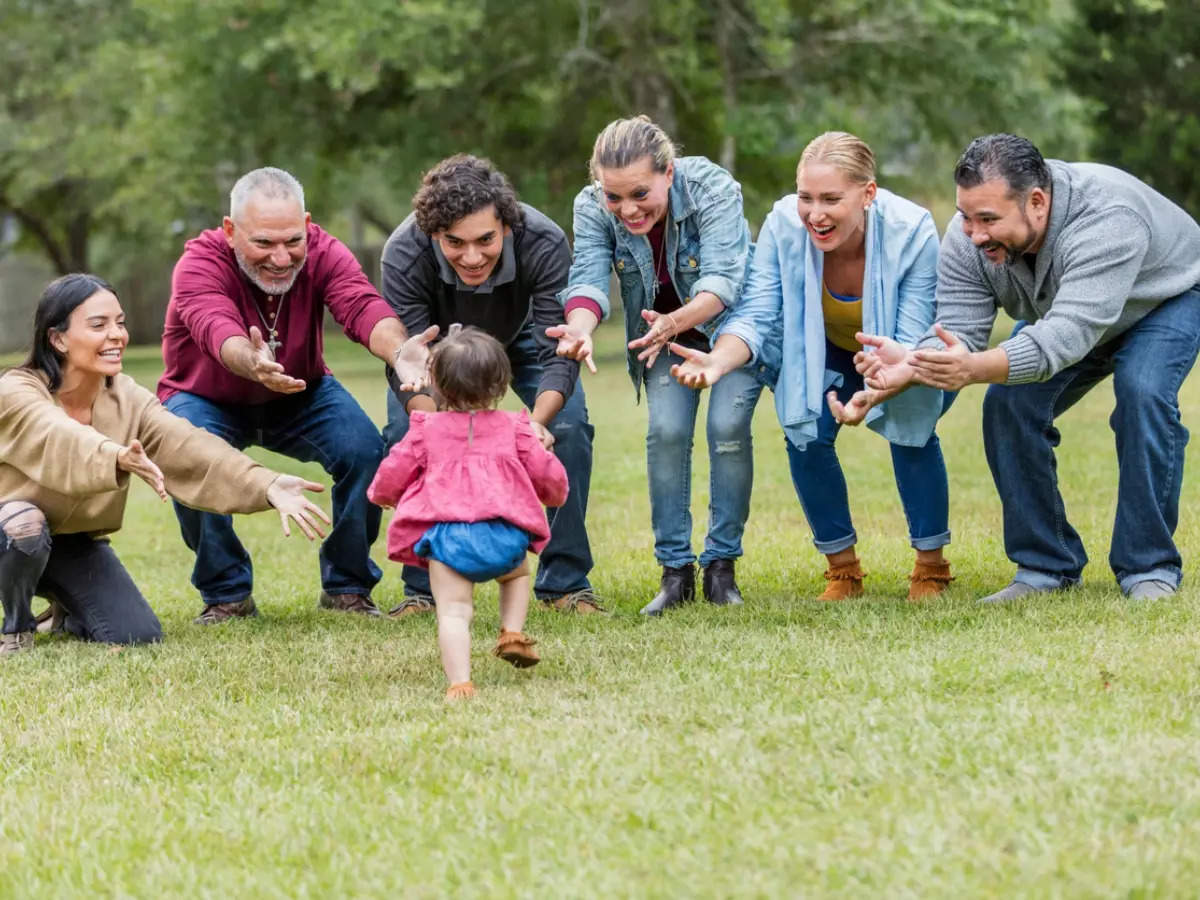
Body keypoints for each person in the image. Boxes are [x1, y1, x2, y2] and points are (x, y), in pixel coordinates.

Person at [856, 133, 1200, 602]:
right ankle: (1045, 567)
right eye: (966, 216)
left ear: (1037, 202)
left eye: (988, 220)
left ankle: (1148, 566)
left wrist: (975, 368)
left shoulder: (1107, 220)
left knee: (1143, 391)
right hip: (1073, 311)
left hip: (1166, 296)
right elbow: (959, 328)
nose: (974, 234)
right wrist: (912, 363)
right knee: (1009, 402)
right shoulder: (967, 238)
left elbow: (1064, 338)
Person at [669, 132, 953, 601]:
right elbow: (759, 311)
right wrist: (719, 360)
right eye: (806, 197)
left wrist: (880, 385)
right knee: (805, 432)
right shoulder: (783, 225)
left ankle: (931, 566)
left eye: (830, 199)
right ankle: (843, 570)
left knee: (913, 428)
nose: (814, 214)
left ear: (868, 193)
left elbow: (913, 333)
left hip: (902, 350)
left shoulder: (913, 230)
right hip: (823, 348)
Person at [0, 274, 330, 655]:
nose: (116, 335)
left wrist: (265, 484)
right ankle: (16, 626)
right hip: (9, 531)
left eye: (119, 323)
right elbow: (55, 434)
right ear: (57, 339)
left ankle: (65, 608)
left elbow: (188, 445)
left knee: (136, 634)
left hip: (68, 541)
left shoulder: (126, 397)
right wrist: (114, 455)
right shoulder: (17, 390)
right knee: (25, 525)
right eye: (98, 325)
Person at [158, 166, 431, 623]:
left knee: (364, 450)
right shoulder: (199, 262)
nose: (282, 258)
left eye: (292, 241)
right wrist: (252, 362)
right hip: (206, 396)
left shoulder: (325, 251)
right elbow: (213, 326)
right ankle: (227, 593)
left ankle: (347, 586)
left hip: (302, 394)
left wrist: (400, 351)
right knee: (185, 452)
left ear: (307, 224)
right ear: (230, 230)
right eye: (263, 243)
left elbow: (360, 304)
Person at [554, 115, 765, 615]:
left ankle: (721, 569)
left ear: (669, 173)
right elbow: (585, 278)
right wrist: (581, 327)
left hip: (728, 329)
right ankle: (675, 575)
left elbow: (722, 281)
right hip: (661, 335)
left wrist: (672, 323)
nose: (626, 209)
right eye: (613, 196)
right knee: (666, 433)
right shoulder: (591, 206)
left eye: (640, 193)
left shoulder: (712, 186)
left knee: (728, 426)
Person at [380, 154, 598, 616]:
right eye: (454, 243)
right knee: (408, 436)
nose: (472, 257)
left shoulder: (543, 241)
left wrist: (536, 428)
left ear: (507, 225)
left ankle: (564, 583)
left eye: (485, 240)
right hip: (437, 350)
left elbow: (556, 350)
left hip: (520, 339)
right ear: (433, 234)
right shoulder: (404, 252)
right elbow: (410, 361)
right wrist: (438, 430)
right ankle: (423, 587)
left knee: (571, 427)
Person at [368, 327, 568, 700]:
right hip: (505, 537)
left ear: (437, 385)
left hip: (450, 542)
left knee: (454, 613)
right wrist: (555, 494)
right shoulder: (517, 427)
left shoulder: (425, 429)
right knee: (517, 575)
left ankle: (460, 683)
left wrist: (382, 494)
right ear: (501, 383)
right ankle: (511, 631)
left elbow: (395, 468)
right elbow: (546, 473)